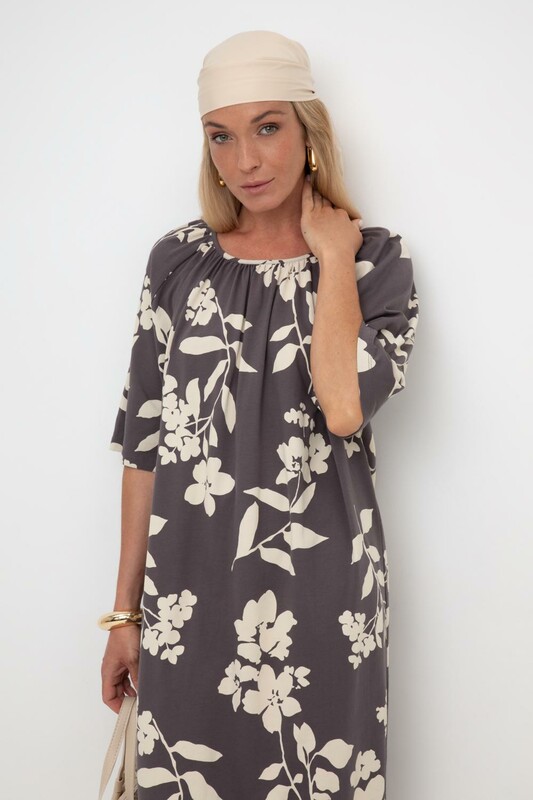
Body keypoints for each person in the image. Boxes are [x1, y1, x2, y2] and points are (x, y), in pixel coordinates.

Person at [99, 30, 419, 800]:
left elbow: (342, 409)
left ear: (309, 134)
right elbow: (144, 445)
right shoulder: (177, 262)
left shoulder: (375, 263)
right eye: (221, 135)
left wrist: (331, 257)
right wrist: (123, 614)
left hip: (322, 591)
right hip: (187, 592)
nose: (244, 159)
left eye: (266, 127)